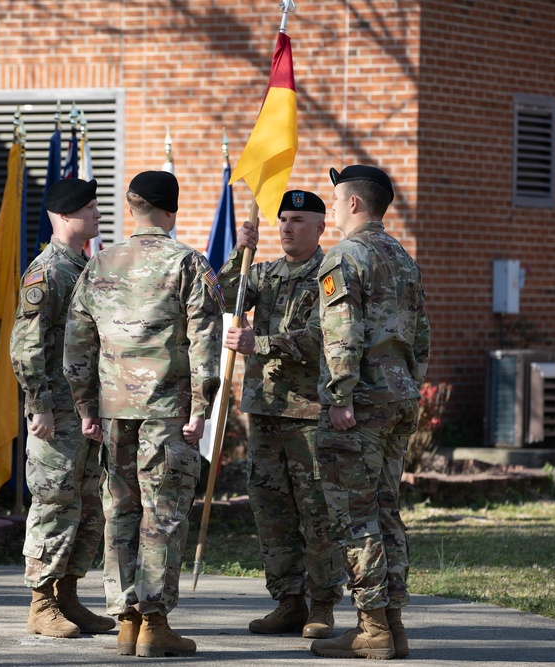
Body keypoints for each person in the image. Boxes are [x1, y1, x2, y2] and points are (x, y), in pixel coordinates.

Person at [63, 171, 224, 658]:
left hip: (115, 413)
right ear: (171, 211)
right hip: (167, 413)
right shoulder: (189, 264)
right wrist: (202, 410)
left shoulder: (98, 264)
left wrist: (86, 409)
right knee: (164, 514)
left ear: (132, 208)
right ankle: (154, 623)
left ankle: (126, 620)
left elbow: (76, 345)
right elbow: (206, 346)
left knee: (122, 512)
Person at [308, 165, 430, 660]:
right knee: (385, 511)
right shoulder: (402, 256)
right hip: (398, 398)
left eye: (335, 200)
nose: (332, 207)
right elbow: (421, 334)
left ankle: (373, 629)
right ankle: (393, 625)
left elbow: (342, 333)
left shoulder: (345, 255)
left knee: (355, 518)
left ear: (354, 203)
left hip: (359, 404)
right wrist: (411, 385)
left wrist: (339, 396)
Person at [218, 190, 347, 640]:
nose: (287, 227)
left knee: (316, 512)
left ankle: (323, 605)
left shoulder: (330, 274)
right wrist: (239, 250)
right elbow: (221, 297)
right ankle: (288, 601)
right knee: (271, 510)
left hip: (309, 414)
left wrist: (263, 344)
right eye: (283, 220)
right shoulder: (265, 273)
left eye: (298, 220)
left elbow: (322, 336)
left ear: (320, 228)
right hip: (266, 410)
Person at [11, 178, 113, 638]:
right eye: (90, 208)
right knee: (53, 504)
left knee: (87, 506)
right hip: (57, 412)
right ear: (66, 215)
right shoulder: (48, 271)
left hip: (87, 411)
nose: (97, 214)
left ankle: (68, 595)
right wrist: (40, 406)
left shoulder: (85, 267)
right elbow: (27, 345)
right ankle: (41, 603)